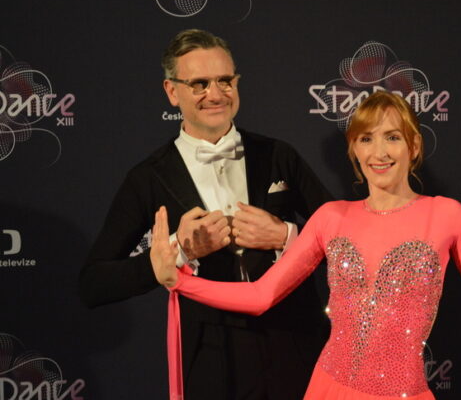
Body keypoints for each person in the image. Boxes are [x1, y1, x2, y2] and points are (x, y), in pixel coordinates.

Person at [151, 91, 461, 400]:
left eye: (392, 137)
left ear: (413, 146)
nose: (379, 152)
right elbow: (260, 295)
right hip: (328, 388)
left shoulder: (445, 215)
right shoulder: (331, 218)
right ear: (354, 150)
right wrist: (181, 282)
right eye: (366, 139)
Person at [79, 29, 332, 399]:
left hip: (296, 341)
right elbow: (93, 284)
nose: (215, 94)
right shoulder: (148, 177)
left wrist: (286, 236)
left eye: (225, 80)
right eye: (199, 84)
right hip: (210, 357)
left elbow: (347, 241)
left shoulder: (279, 154)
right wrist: (174, 253)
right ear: (172, 91)